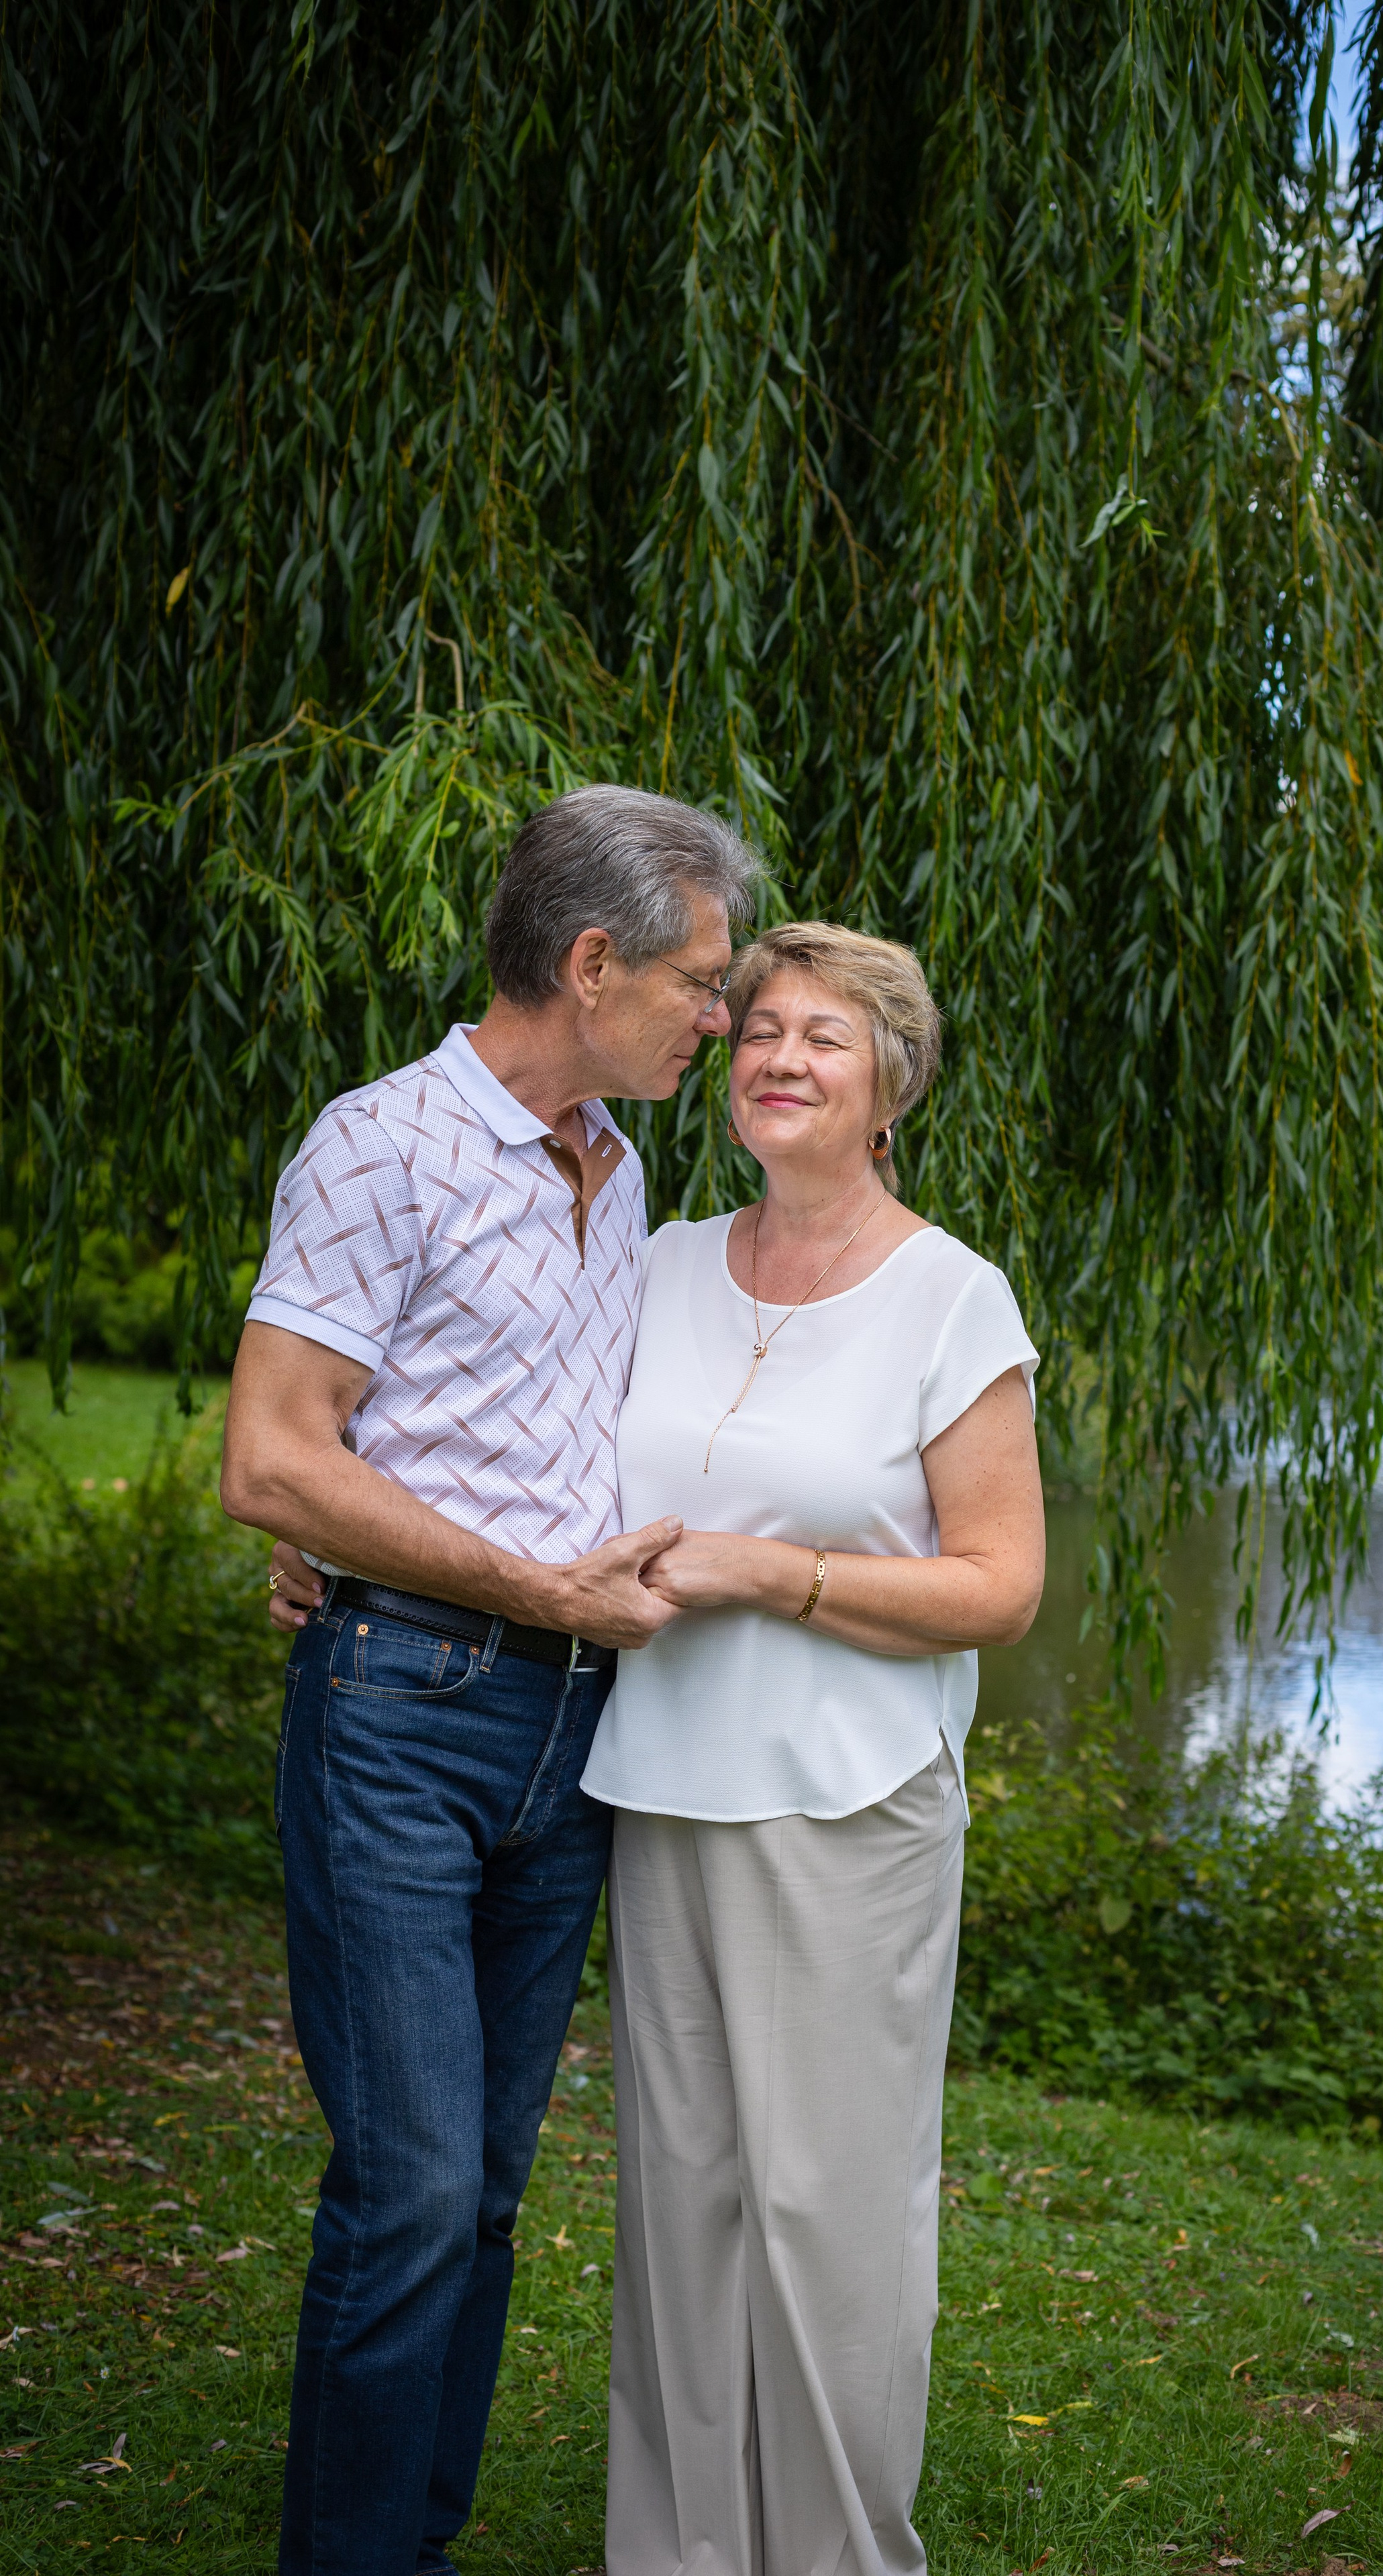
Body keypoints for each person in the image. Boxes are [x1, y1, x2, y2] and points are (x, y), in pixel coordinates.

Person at [223, 784, 760, 2576]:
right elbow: (272, 1460)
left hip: (573, 1736)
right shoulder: (382, 1146)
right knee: (415, 2188)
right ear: (593, 963)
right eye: (702, 982)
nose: (723, 1018)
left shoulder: (626, 1175)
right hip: (403, 1717)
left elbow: (496, 1443)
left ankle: (412, 2546)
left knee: (494, 2195)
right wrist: (482, 1573)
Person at [586, 920, 1046, 2576]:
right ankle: (682, 2552)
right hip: (658, 1789)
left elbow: (999, 1587)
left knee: (823, 2220)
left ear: (888, 1088)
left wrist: (767, 1572)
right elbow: (525, 1467)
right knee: (684, 2206)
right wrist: (339, 1547)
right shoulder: (650, 1263)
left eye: (823, 1039)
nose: (778, 1055)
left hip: (849, 1807)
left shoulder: (949, 1296)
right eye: (757, 1027)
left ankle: (844, 2554)